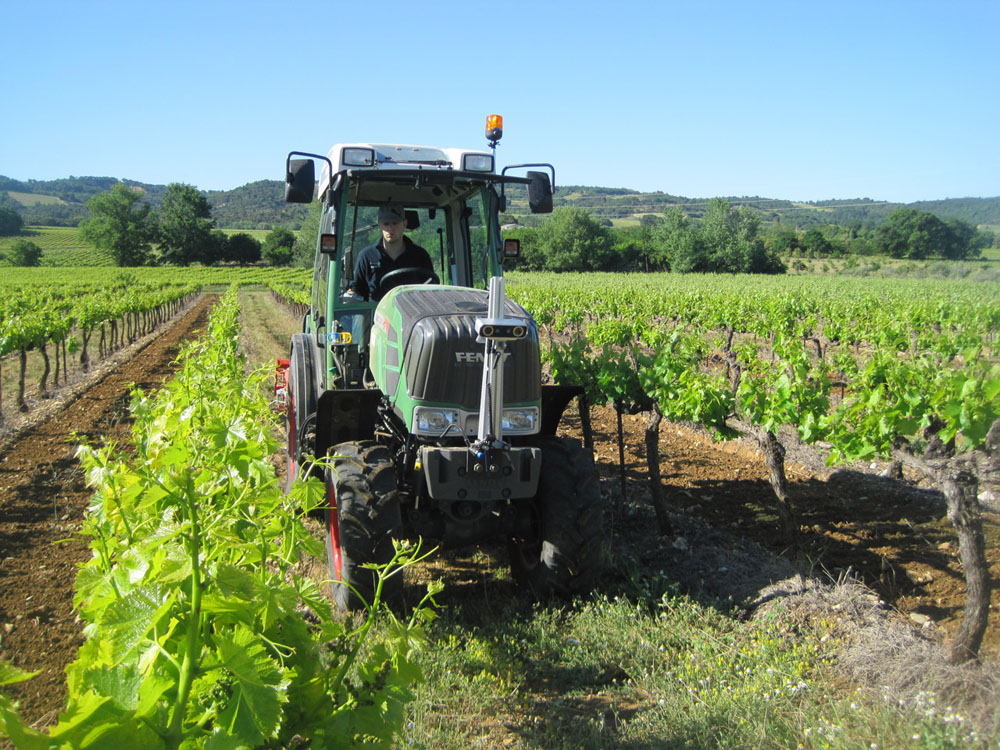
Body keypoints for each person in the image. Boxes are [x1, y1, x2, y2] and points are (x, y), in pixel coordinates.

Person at [350, 204, 437, 302]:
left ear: (404, 224)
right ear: (379, 225)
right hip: (375, 314)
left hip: (412, 313)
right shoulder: (366, 256)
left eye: (395, 223)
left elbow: (431, 290)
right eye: (386, 224)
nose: (390, 228)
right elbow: (357, 292)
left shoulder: (420, 256)